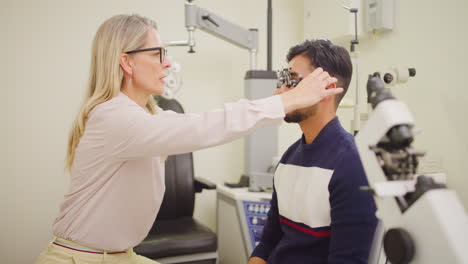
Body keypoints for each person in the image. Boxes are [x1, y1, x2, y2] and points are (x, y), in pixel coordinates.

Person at [35, 15, 343, 264]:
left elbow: (204, 125)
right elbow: (204, 126)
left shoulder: (147, 120)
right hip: (80, 259)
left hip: (120, 256)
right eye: (158, 54)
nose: (167, 64)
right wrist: (288, 101)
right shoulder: (113, 117)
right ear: (127, 62)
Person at [248, 39, 378, 264]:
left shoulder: (353, 165)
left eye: (290, 81)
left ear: (327, 89)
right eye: (282, 80)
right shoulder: (289, 158)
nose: (279, 91)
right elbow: (269, 241)